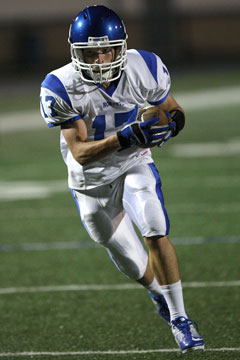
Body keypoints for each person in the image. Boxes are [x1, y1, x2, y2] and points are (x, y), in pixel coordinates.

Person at [40, 5, 204, 353]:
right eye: (90, 52)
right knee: (131, 261)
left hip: (133, 163)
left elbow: (173, 108)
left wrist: (170, 125)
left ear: (120, 47)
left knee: (154, 224)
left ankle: (180, 318)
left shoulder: (143, 66)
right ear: (75, 52)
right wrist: (127, 136)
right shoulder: (60, 85)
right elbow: (81, 153)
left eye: (106, 50)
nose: (99, 59)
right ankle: (158, 295)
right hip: (90, 181)